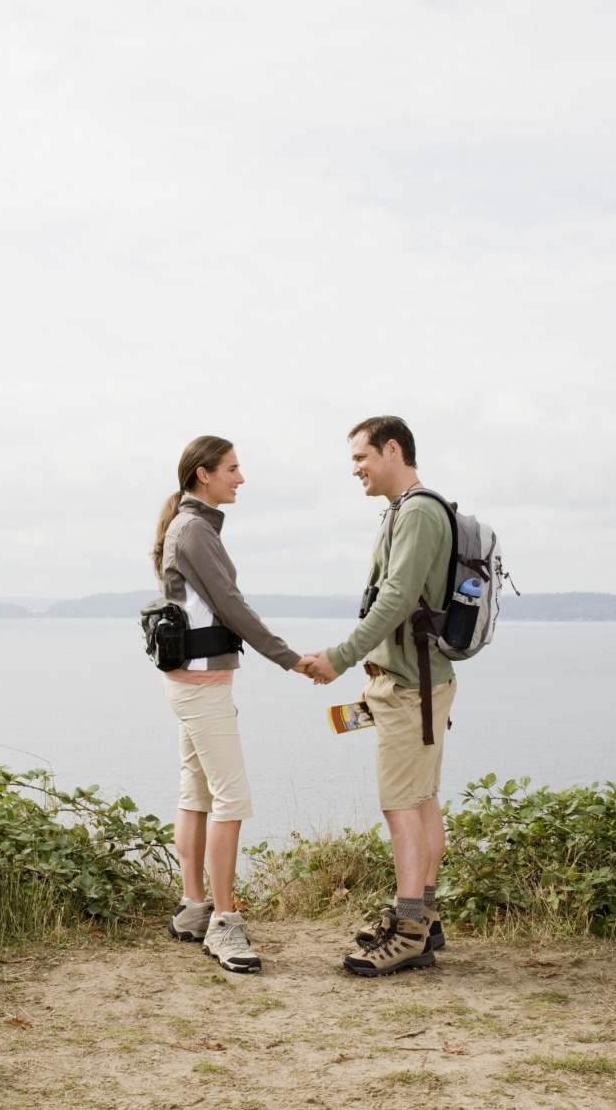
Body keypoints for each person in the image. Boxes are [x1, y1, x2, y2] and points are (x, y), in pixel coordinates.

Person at [304, 416, 456, 977]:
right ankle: (424, 917)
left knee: (401, 806)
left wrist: (338, 657)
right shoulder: (407, 509)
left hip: (409, 685)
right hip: (419, 680)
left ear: (393, 449)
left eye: (361, 457)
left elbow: (393, 601)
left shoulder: (416, 510)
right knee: (420, 798)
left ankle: (410, 930)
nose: (356, 469)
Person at [152, 436, 311, 974]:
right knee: (231, 800)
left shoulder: (191, 526)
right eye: (232, 469)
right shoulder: (194, 530)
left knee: (195, 791)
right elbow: (232, 607)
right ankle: (223, 922)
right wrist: (290, 659)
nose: (240, 478)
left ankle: (194, 908)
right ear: (203, 474)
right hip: (200, 686)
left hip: (197, 683)